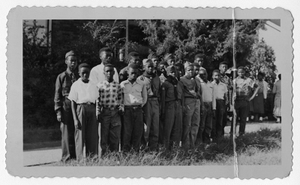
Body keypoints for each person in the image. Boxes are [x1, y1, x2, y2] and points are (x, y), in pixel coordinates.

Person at [68, 63, 99, 160]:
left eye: (87, 73)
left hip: (92, 109)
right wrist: (75, 119)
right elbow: (73, 102)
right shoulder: (76, 85)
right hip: (80, 109)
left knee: (92, 135)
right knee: (80, 135)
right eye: (83, 73)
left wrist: (97, 112)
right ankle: (80, 159)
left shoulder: (93, 85)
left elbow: (97, 100)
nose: (85, 75)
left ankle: (92, 157)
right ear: (79, 73)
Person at [54, 50, 78, 162]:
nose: (73, 63)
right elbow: (57, 94)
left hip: (78, 106)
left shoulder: (79, 76)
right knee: (66, 132)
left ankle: (76, 156)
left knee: (77, 131)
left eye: (75, 61)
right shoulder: (61, 77)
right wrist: (58, 111)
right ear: (66, 62)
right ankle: (66, 157)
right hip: (66, 106)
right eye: (71, 61)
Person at [96, 64, 123, 155]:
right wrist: (98, 112)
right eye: (107, 71)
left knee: (115, 135)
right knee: (104, 135)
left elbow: (120, 99)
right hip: (105, 112)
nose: (109, 73)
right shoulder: (100, 85)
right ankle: (104, 156)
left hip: (115, 112)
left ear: (114, 72)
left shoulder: (118, 86)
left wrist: (120, 108)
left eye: (111, 71)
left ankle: (114, 155)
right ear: (104, 72)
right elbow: (97, 100)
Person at [120, 64, 148, 152]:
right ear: (128, 73)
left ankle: (135, 153)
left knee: (138, 132)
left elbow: (145, 97)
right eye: (132, 73)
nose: (134, 75)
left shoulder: (141, 84)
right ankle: (125, 153)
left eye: (136, 73)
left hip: (138, 110)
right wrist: (123, 108)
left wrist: (139, 106)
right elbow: (120, 98)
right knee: (127, 132)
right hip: (127, 110)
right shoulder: (123, 84)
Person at [137, 59, 161, 151]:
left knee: (155, 127)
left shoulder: (156, 78)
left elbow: (159, 92)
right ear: (144, 67)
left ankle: (153, 149)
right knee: (146, 127)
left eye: (152, 67)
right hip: (146, 103)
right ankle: (143, 149)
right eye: (148, 67)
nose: (151, 68)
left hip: (155, 102)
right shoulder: (141, 79)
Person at [161, 66, 183, 150]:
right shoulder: (165, 84)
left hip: (178, 106)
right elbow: (163, 99)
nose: (173, 74)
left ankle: (175, 149)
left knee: (177, 128)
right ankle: (165, 148)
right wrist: (163, 111)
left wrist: (182, 107)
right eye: (171, 72)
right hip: (169, 106)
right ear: (167, 73)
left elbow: (182, 97)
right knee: (168, 128)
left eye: (174, 72)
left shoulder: (179, 83)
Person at [231, 66, 258, 136]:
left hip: (245, 101)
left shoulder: (248, 80)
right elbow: (231, 91)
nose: (241, 73)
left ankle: (241, 133)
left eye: (242, 72)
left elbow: (257, 87)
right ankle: (232, 134)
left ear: (244, 72)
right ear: (237, 73)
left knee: (243, 118)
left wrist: (251, 97)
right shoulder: (234, 81)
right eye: (239, 72)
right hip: (237, 100)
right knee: (235, 118)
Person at [180, 64, 201, 150]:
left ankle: (192, 145)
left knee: (195, 124)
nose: (191, 72)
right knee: (187, 124)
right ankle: (185, 145)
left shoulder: (196, 79)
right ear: (185, 70)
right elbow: (181, 94)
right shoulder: (182, 80)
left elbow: (199, 92)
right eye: (189, 70)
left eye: (192, 70)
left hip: (196, 101)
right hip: (188, 102)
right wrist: (183, 105)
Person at [197, 68, 215, 144]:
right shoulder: (199, 83)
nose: (203, 76)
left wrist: (213, 108)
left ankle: (207, 140)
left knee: (209, 125)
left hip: (210, 104)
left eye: (204, 74)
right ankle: (200, 141)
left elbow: (213, 96)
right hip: (203, 104)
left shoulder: (210, 84)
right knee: (202, 125)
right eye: (201, 74)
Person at [211, 69, 228, 141]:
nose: (217, 77)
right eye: (215, 75)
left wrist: (227, 103)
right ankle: (213, 137)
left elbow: (226, 96)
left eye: (218, 75)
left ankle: (220, 136)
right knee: (213, 120)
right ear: (212, 76)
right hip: (213, 102)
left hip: (221, 102)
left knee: (221, 120)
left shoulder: (223, 85)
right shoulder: (211, 84)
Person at [218, 61, 232, 135]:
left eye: (226, 67)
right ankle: (217, 136)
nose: (224, 68)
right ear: (219, 67)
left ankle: (222, 135)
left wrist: (229, 102)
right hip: (218, 99)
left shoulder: (228, 78)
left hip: (225, 100)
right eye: (223, 67)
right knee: (218, 119)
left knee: (224, 119)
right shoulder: (216, 76)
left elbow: (230, 90)